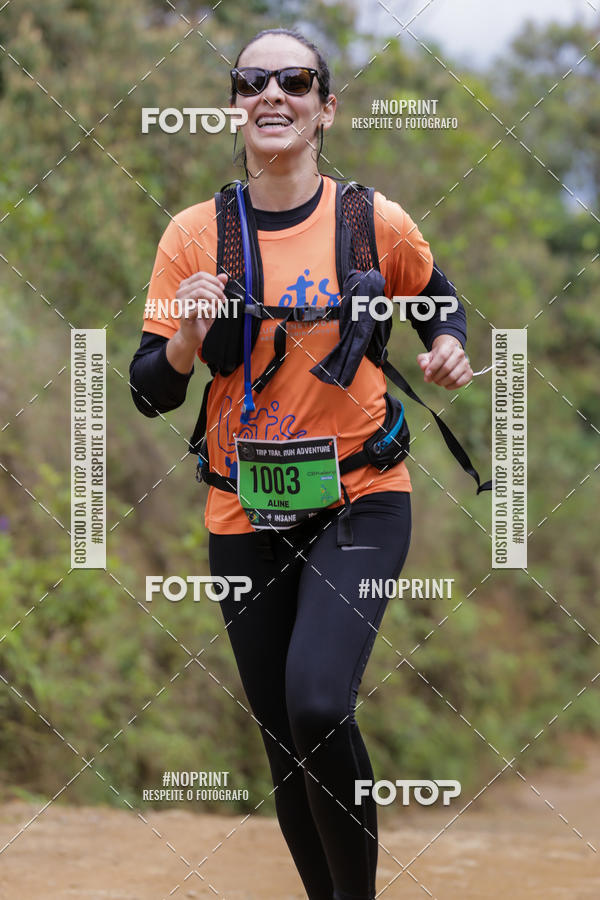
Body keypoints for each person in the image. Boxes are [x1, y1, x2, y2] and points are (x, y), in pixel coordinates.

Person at [130, 27, 472, 900]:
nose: (272, 94)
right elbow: (148, 390)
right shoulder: (195, 235)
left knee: (319, 703)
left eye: (295, 80)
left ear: (326, 108)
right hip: (244, 508)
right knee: (286, 736)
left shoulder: (370, 221)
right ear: (236, 104)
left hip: (360, 497)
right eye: (254, 81)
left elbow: (442, 304)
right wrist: (188, 340)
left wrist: (446, 349)